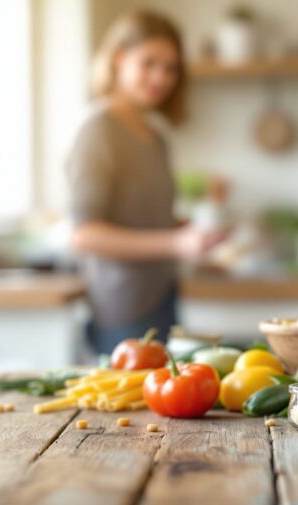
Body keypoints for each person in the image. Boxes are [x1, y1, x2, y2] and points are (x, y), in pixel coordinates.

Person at [67, 10, 225, 353]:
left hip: (162, 298)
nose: (161, 77)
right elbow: (84, 234)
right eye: (149, 63)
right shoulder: (99, 130)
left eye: (170, 68)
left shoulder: (154, 136)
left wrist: (192, 232)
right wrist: (175, 242)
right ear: (119, 58)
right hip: (122, 311)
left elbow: (145, 219)